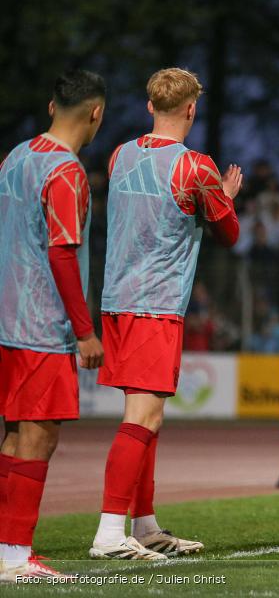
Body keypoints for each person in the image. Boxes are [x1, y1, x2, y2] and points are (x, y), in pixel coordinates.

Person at [89, 68, 241, 560]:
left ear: (150, 105)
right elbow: (229, 234)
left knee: (148, 418)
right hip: (155, 305)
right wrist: (225, 198)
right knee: (143, 417)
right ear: (192, 110)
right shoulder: (196, 167)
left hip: (116, 300)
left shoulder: (119, 155)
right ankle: (109, 533)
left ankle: (145, 524)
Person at [0, 70, 106, 581]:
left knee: (14, 435)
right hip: (42, 325)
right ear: (96, 114)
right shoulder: (67, 172)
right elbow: (62, 254)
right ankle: (15, 554)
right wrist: (84, 331)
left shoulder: (14, 158)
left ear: (50, 107)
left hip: (6, 320)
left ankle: (6, 547)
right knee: (38, 438)